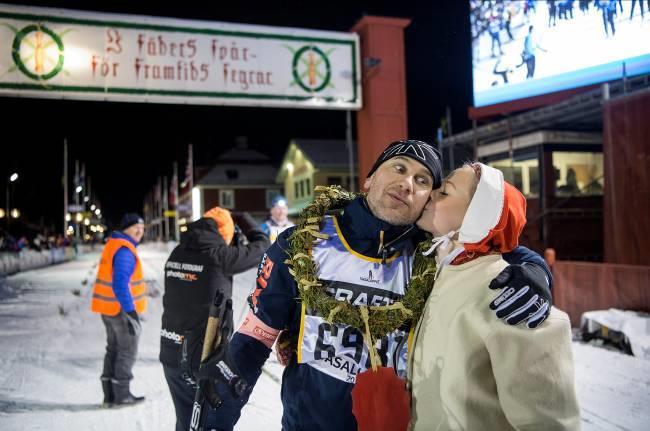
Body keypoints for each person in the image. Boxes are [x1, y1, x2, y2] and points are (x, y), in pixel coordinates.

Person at [204, 140, 554, 431]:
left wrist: (536, 272)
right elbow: (253, 341)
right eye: (399, 168)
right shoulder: (304, 243)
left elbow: (499, 247)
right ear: (369, 179)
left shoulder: (433, 251)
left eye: (423, 181)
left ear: (427, 202)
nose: (408, 184)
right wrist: (214, 419)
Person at [409, 163, 580, 430]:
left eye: (444, 192)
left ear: (478, 215)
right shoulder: (438, 272)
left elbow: (548, 424)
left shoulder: (510, 298)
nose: (429, 193)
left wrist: (537, 271)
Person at [159, 206, 270, 431]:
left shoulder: (177, 252)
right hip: (201, 355)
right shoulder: (219, 257)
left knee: (186, 420)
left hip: (170, 349)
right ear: (225, 233)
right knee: (208, 422)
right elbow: (262, 246)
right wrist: (243, 217)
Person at [91, 213, 147, 406]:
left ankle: (110, 395)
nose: (140, 231)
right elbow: (120, 284)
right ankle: (121, 395)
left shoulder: (114, 244)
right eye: (135, 227)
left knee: (113, 349)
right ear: (126, 229)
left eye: (142, 227)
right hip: (120, 311)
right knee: (127, 351)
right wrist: (131, 312)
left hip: (108, 308)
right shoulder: (124, 250)